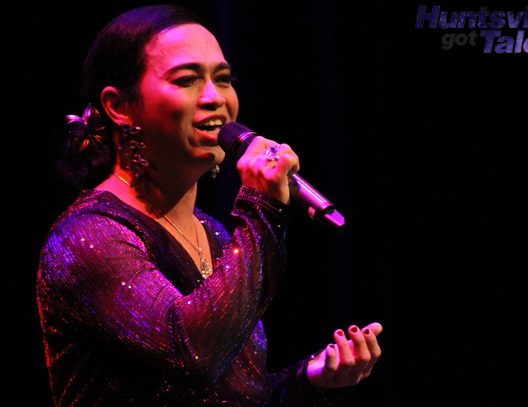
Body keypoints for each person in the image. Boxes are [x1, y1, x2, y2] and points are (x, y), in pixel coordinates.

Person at [37, 5, 382, 406]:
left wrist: (309, 379)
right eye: (187, 80)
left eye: (224, 80)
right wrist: (263, 206)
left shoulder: (215, 235)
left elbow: (228, 395)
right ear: (119, 105)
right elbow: (193, 354)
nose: (215, 98)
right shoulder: (88, 237)